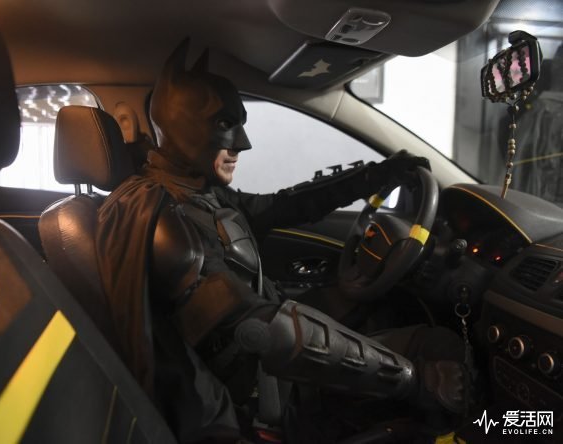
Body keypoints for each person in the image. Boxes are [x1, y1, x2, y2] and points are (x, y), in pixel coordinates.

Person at [97, 39, 466, 443]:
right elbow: (264, 331)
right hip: (261, 408)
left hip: (266, 379)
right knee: (437, 351)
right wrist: (411, 379)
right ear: (184, 128)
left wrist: (376, 176)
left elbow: (285, 206)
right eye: (224, 126)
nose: (242, 143)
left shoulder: (193, 194)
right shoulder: (169, 225)